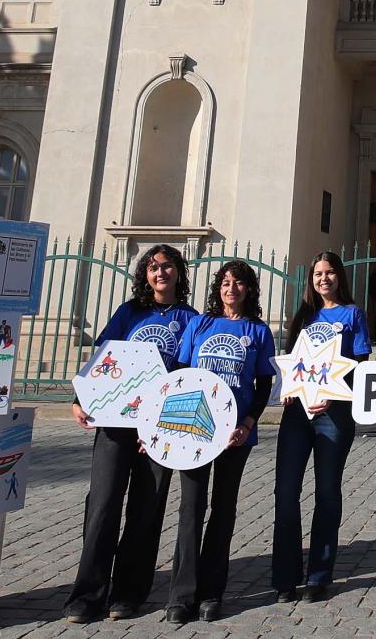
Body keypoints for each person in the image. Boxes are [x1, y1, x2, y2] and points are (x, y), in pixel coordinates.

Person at [62, 244, 199, 624]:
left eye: (167, 267)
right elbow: (102, 357)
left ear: (178, 273)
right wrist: (80, 397)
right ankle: (86, 595)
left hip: (159, 429)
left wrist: (165, 423)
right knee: (103, 504)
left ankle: (128, 594)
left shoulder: (190, 319)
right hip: (114, 422)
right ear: (145, 274)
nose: (160, 273)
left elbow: (188, 377)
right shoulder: (129, 312)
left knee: (145, 510)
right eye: (153, 267)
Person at [164, 260, 274, 624]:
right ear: (218, 288)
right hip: (193, 431)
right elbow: (178, 378)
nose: (231, 289)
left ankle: (212, 593)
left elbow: (263, 387)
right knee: (190, 511)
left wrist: (247, 423)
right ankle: (181, 596)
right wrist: (164, 428)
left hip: (234, 435)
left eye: (238, 283)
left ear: (249, 289)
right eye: (225, 282)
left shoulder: (258, 331)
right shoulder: (199, 324)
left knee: (223, 511)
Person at [273, 250, 373, 603]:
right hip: (297, 416)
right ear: (311, 279)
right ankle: (285, 575)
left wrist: (334, 393)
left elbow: (361, 363)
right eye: (318, 274)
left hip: (333, 414)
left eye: (329, 273)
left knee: (327, 493)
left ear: (339, 277)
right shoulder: (303, 316)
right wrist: (288, 389)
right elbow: (291, 363)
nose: (323, 279)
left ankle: (319, 575)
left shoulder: (352, 314)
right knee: (286, 493)